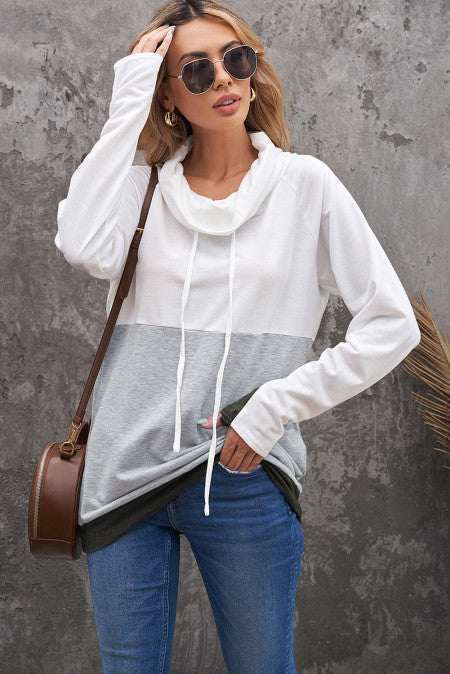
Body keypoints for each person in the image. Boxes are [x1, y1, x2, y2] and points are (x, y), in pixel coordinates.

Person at [54, 1, 421, 671]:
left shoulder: (305, 186)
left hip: (241, 472)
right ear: (167, 94)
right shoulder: (140, 189)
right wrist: (129, 96)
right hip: (123, 472)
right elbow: (79, 243)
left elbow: (392, 324)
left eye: (235, 59)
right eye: (196, 70)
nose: (222, 78)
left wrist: (274, 407)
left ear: (253, 70)